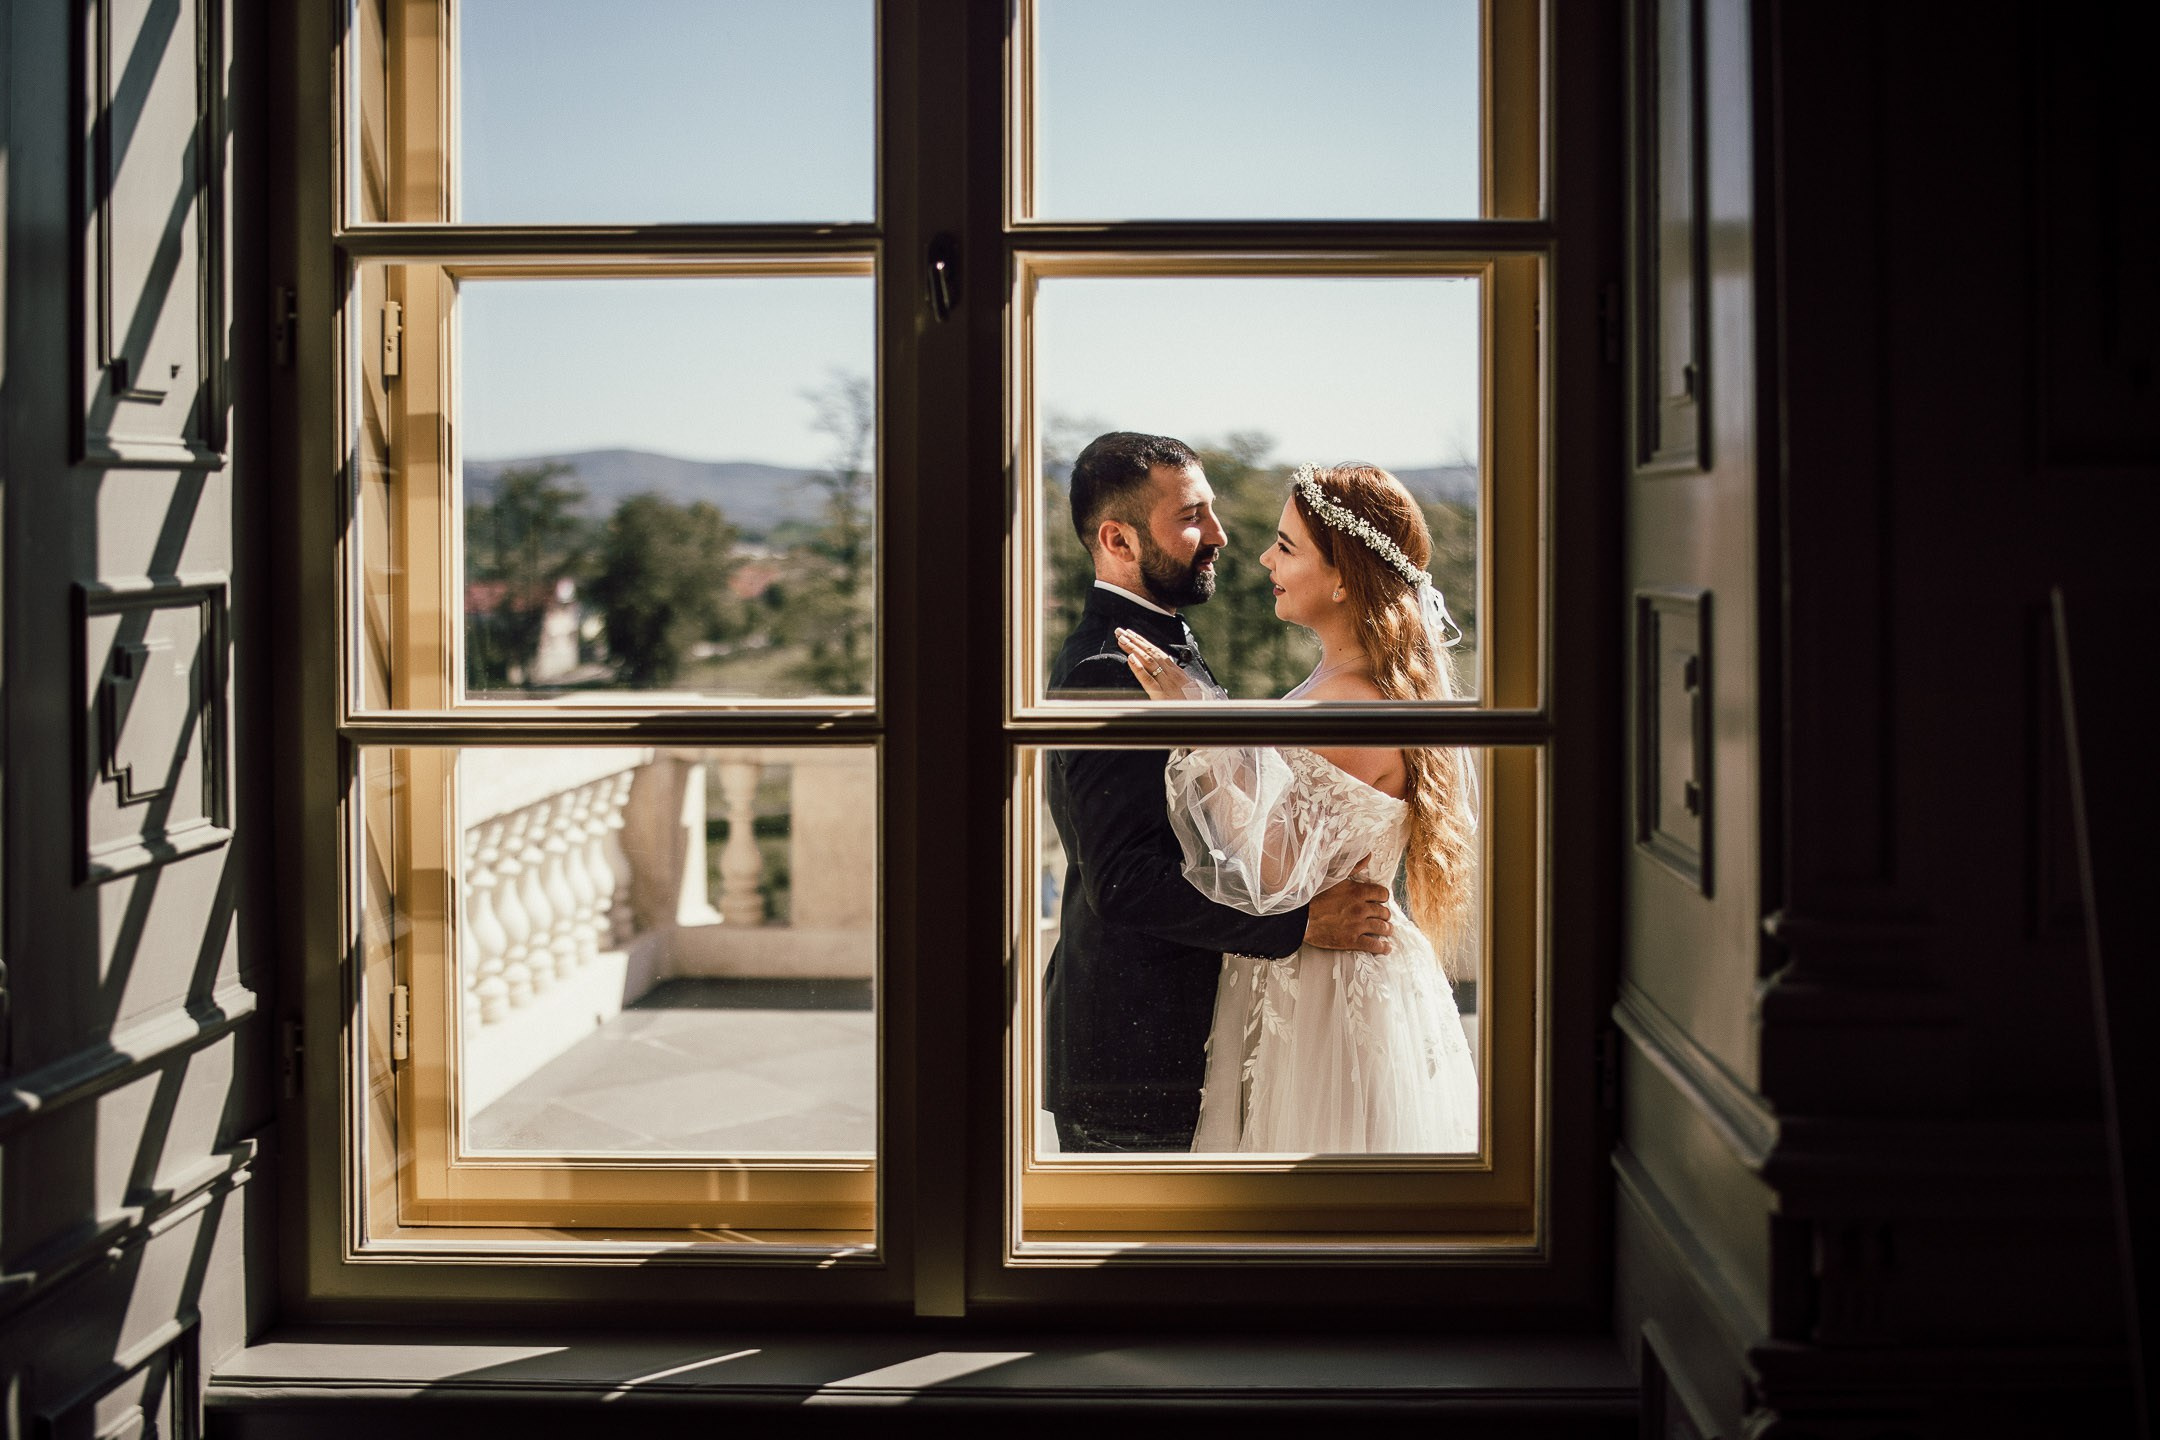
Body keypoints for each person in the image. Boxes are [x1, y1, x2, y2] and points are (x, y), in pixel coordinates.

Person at [1042, 433, 1398, 1153]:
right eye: (1192, 518)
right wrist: (1298, 926)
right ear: (1118, 538)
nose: (1221, 537)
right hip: (1138, 1063)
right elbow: (1124, 881)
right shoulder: (1110, 667)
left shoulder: (1163, 641)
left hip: (1184, 1046)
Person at [1116, 461, 1480, 1153]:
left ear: (1343, 575)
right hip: (1330, 965)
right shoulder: (1341, 681)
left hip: (1328, 982)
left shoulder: (1350, 701)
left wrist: (1197, 725)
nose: (1263, 557)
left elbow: (1274, 872)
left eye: (1286, 546)